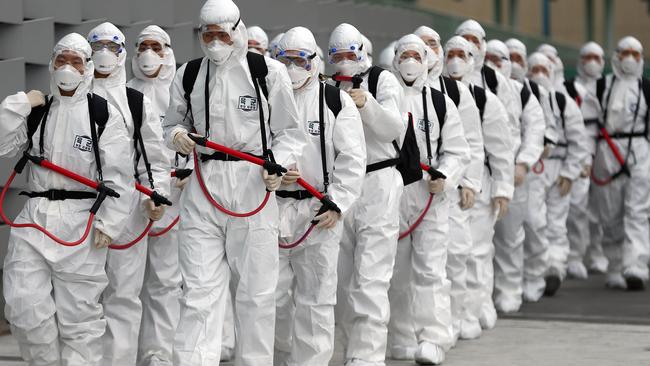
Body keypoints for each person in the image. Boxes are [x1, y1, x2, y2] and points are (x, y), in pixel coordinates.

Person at [162, 0, 304, 364]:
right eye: (207, 34)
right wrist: (177, 134)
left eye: (221, 34)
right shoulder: (189, 74)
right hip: (204, 184)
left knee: (256, 294)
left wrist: (277, 164)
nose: (214, 42)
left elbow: (290, 132)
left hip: (252, 185)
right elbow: (171, 123)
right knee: (197, 291)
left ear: (238, 31)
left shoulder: (267, 72)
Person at [0, 33, 132, 365]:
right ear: (52, 64)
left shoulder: (102, 114)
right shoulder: (38, 110)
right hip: (35, 218)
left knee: (80, 322)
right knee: (23, 307)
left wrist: (110, 223)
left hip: (81, 222)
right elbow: (3, 145)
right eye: (62, 60)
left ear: (87, 68)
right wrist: (19, 104)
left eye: (76, 61)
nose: (68, 68)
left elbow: (120, 175)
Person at [272, 26, 366, 366]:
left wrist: (337, 204)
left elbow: (353, 159)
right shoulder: (268, 95)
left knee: (316, 300)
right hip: (272, 208)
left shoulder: (334, 100)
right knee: (271, 297)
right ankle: (279, 359)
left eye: (300, 60)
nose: (293, 67)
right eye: (286, 60)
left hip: (318, 212)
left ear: (314, 62)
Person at [87, 22, 171, 366]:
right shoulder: (73, 94)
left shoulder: (135, 102)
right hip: (80, 209)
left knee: (123, 291)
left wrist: (157, 193)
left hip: (127, 208)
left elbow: (152, 154)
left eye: (112, 45)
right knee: (81, 292)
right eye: (98, 45)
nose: (105, 52)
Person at [386, 34, 470, 364]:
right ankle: (403, 336)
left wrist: (445, 176)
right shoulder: (385, 99)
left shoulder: (439, 102)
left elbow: (458, 150)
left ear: (425, 61)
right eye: (403, 54)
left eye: (415, 55)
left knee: (431, 271)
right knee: (397, 272)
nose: (409, 61)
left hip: (429, 199)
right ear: (394, 59)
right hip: (392, 197)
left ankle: (434, 337)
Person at [328, 22, 406, 366]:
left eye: (350, 54)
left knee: (371, 276)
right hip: (343, 185)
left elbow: (393, 128)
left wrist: (368, 105)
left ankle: (368, 355)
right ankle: (350, 347)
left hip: (379, 183)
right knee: (341, 278)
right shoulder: (327, 88)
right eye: (338, 56)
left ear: (362, 52)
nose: (345, 62)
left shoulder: (382, 80)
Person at [414, 24, 485, 343]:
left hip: (448, 187)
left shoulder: (454, 93)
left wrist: (467, 181)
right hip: (409, 190)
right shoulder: (399, 86)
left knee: (456, 254)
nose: (429, 50)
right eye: (422, 45)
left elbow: (471, 141)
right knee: (413, 264)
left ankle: (460, 315)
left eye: (434, 44)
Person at [444, 35, 514, 334]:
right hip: (445, 183)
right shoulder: (435, 94)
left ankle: (474, 310)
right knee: (449, 254)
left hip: (480, 183)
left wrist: (502, 189)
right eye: (450, 53)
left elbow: (501, 148)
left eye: (463, 53)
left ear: (474, 59)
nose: (455, 60)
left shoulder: (486, 100)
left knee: (477, 250)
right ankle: (451, 314)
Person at [126, 25, 183, 366]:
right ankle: (125, 350)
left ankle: (159, 352)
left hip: (175, 191)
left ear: (168, 51)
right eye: (143, 46)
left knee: (165, 278)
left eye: (156, 47)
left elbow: (198, 131)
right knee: (125, 280)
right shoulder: (125, 91)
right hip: (134, 193)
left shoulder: (180, 90)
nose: (149, 53)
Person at [524, 52, 589, 298]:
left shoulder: (563, 102)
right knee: (534, 220)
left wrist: (571, 173)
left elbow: (579, 141)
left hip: (559, 169)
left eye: (544, 70)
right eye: (535, 69)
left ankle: (554, 266)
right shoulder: (523, 98)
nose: (539, 74)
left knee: (556, 222)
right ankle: (535, 267)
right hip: (534, 169)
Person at [489, 38, 546, 314]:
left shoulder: (521, 91)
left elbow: (535, 128)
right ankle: (483, 293)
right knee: (476, 240)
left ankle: (510, 288)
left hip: (512, 173)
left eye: (501, 59)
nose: (494, 64)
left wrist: (523, 163)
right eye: (490, 57)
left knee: (510, 235)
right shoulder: (469, 90)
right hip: (479, 174)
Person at [590, 36, 649, 290]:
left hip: (639, 150)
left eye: (635, 54)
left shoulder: (646, 88)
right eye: (625, 52)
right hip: (607, 152)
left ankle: (636, 265)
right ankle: (614, 265)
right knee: (610, 212)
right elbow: (588, 125)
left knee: (637, 210)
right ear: (616, 55)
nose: (630, 58)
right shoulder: (602, 86)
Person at [562, 41, 607, 280]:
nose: (591, 62)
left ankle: (599, 253)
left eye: (596, 58)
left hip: (606, 149)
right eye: (587, 57)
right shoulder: (569, 88)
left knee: (601, 205)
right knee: (577, 205)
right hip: (579, 148)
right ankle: (575, 256)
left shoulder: (608, 87)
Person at [455, 20, 521, 140]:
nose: (470, 44)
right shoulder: (443, 75)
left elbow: (510, 124)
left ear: (483, 45)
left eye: (475, 41)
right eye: (465, 39)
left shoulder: (495, 80)